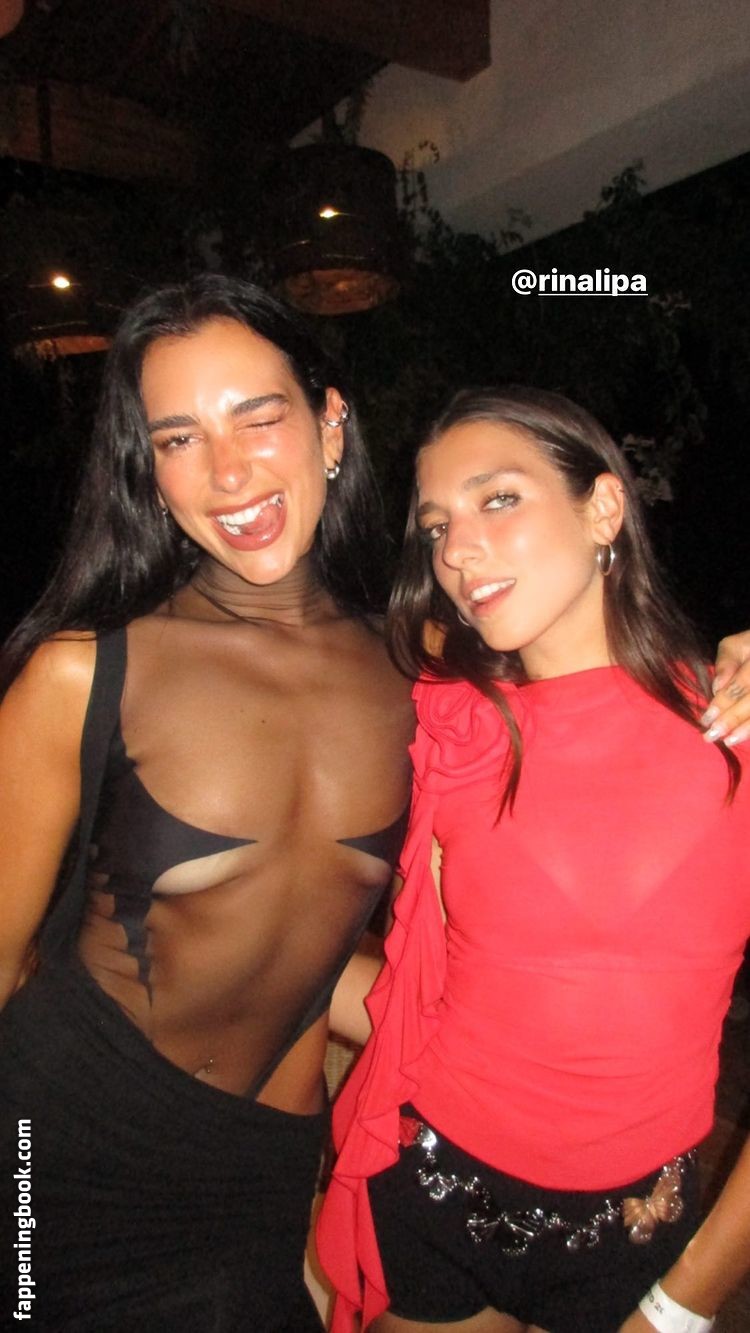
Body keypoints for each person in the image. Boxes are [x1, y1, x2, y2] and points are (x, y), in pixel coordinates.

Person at [0, 275, 415, 1331]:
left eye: (258, 416)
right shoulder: (84, 672)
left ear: (329, 424)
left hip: (259, 1167)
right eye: (178, 438)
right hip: (58, 1145)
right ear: (149, 471)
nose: (228, 470)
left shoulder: (420, 670)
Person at [317, 386, 750, 1333]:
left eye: (499, 498)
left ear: (605, 506)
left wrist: (683, 1305)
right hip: (434, 1190)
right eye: (437, 526)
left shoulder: (733, 732)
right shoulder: (450, 720)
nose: (458, 552)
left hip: (634, 1232)